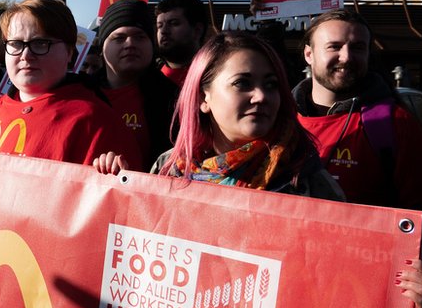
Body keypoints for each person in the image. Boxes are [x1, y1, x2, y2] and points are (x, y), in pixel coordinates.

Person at [292, 9, 422, 308]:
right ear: (309, 54)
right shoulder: (278, 121)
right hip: (290, 289)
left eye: (358, 47)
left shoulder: (396, 125)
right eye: (334, 46)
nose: (347, 57)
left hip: (361, 303)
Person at [0, 0, 141, 167]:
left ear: (69, 52)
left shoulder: (97, 122)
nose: (26, 54)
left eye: (41, 43)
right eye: (15, 44)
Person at [136, 32, 343, 200]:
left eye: (271, 85)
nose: (261, 96)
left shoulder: (305, 177)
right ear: (202, 98)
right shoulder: (169, 168)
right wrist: (113, 184)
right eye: (242, 83)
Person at [95, 0, 179, 171]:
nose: (130, 44)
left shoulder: (175, 99)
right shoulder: (79, 93)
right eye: (119, 38)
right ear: (102, 46)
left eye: (140, 37)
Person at [155, 0, 208, 87]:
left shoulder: (216, 78)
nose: (163, 31)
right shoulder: (145, 81)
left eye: (174, 23)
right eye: (160, 26)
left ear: (197, 31)